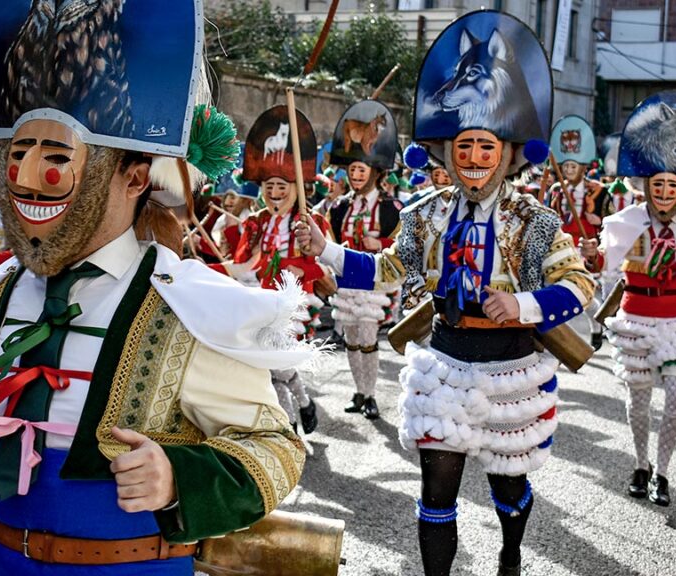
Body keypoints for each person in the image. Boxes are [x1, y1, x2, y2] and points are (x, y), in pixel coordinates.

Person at [0, 4, 307, 574]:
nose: (24, 177)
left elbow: (276, 448)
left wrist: (179, 477)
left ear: (133, 176)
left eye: (54, 158)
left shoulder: (187, 303)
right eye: (17, 154)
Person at [300, 12, 596, 576]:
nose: (475, 159)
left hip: (511, 369)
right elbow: (387, 269)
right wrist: (329, 251)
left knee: (510, 490)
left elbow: (579, 284)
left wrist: (524, 305)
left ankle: (511, 552)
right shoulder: (423, 215)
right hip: (444, 363)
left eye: (487, 148)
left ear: (508, 154)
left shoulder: (534, 220)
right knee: (437, 492)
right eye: (464, 147)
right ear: (447, 153)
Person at [582, 91, 676, 507]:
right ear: (646, 186)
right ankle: (640, 463)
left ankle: (663, 474)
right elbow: (600, 266)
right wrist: (593, 256)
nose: (665, 191)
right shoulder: (623, 223)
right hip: (636, 314)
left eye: (672, 184)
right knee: (638, 401)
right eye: (658, 184)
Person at [221, 104, 330, 435]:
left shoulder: (308, 223)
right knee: (269, 370)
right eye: (269, 187)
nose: (275, 193)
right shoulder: (257, 222)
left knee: (275, 367)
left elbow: (318, 263)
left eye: (282, 186)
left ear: (296, 189)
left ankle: (296, 414)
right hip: (258, 298)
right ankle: (294, 417)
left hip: (289, 302)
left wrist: (295, 268)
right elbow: (243, 262)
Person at [325, 98, 401, 420]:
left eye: (361, 169)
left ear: (375, 172)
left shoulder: (390, 208)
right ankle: (359, 391)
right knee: (352, 338)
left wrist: (379, 241)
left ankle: (371, 395)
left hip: (373, 278)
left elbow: (401, 246)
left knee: (368, 337)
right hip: (346, 279)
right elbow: (328, 238)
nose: (356, 175)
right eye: (353, 169)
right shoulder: (339, 206)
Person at [547, 115, 610, 349]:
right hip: (561, 246)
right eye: (565, 166)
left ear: (583, 168)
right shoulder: (556, 190)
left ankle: (596, 327)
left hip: (586, 247)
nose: (569, 170)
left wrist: (598, 220)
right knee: (560, 290)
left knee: (584, 294)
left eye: (573, 166)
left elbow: (611, 222)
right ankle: (557, 340)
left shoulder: (599, 190)